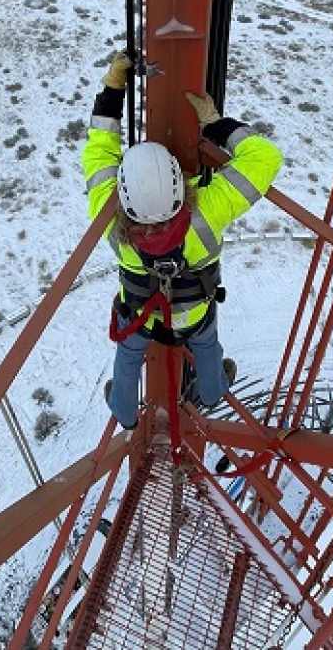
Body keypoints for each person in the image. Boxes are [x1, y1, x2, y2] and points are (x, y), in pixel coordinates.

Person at [83, 53, 283, 430]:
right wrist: (215, 123)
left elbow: (99, 152)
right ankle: (211, 392)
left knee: (127, 358)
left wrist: (113, 88)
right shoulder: (209, 208)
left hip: (140, 318)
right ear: (179, 183)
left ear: (123, 193)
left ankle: (124, 412)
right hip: (193, 316)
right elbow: (265, 157)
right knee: (208, 348)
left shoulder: (108, 215)